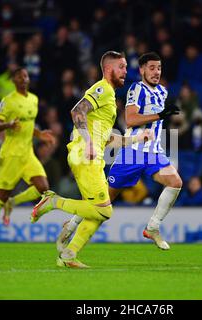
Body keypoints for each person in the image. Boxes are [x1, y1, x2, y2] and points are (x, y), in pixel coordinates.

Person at [30, 51, 153, 268]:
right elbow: (77, 111)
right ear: (109, 69)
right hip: (85, 154)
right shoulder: (103, 88)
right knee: (104, 210)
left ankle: (69, 254)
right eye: (122, 67)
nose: (126, 71)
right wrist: (87, 141)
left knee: (98, 211)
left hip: (89, 155)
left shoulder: (110, 100)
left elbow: (106, 139)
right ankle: (54, 202)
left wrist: (136, 139)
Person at [57, 51, 182, 252]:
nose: (156, 72)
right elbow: (131, 119)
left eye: (159, 68)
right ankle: (71, 225)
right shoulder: (135, 89)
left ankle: (153, 227)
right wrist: (160, 114)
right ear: (141, 70)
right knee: (105, 199)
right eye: (151, 68)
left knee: (175, 182)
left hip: (154, 151)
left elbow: (160, 119)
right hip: (132, 152)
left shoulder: (163, 92)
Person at [0, 67, 56, 248]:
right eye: (20, 77)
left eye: (26, 76)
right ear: (14, 81)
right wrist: (9, 124)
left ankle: (13, 202)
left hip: (27, 153)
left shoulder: (34, 100)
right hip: (11, 154)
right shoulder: (8, 101)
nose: (24, 79)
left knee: (43, 188)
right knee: (1, 195)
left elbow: (28, 125)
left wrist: (40, 134)